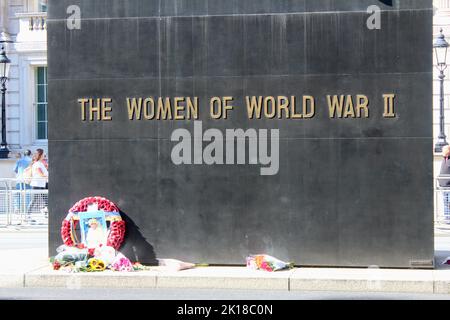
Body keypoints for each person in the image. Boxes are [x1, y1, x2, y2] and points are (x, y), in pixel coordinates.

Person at [439, 145, 450, 221]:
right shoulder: (444, 158)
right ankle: (447, 218)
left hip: (449, 185)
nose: (442, 152)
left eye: (444, 150)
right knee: (445, 202)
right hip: (443, 185)